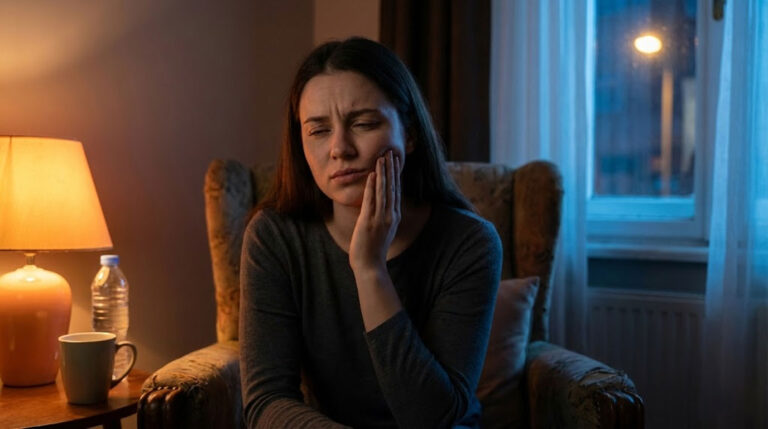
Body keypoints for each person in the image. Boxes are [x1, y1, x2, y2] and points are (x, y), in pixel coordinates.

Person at [240, 37, 502, 429]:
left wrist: (369, 269)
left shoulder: (470, 243)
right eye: (318, 130)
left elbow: (433, 418)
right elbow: (266, 401)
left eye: (363, 124)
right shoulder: (274, 236)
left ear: (409, 134)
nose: (340, 149)